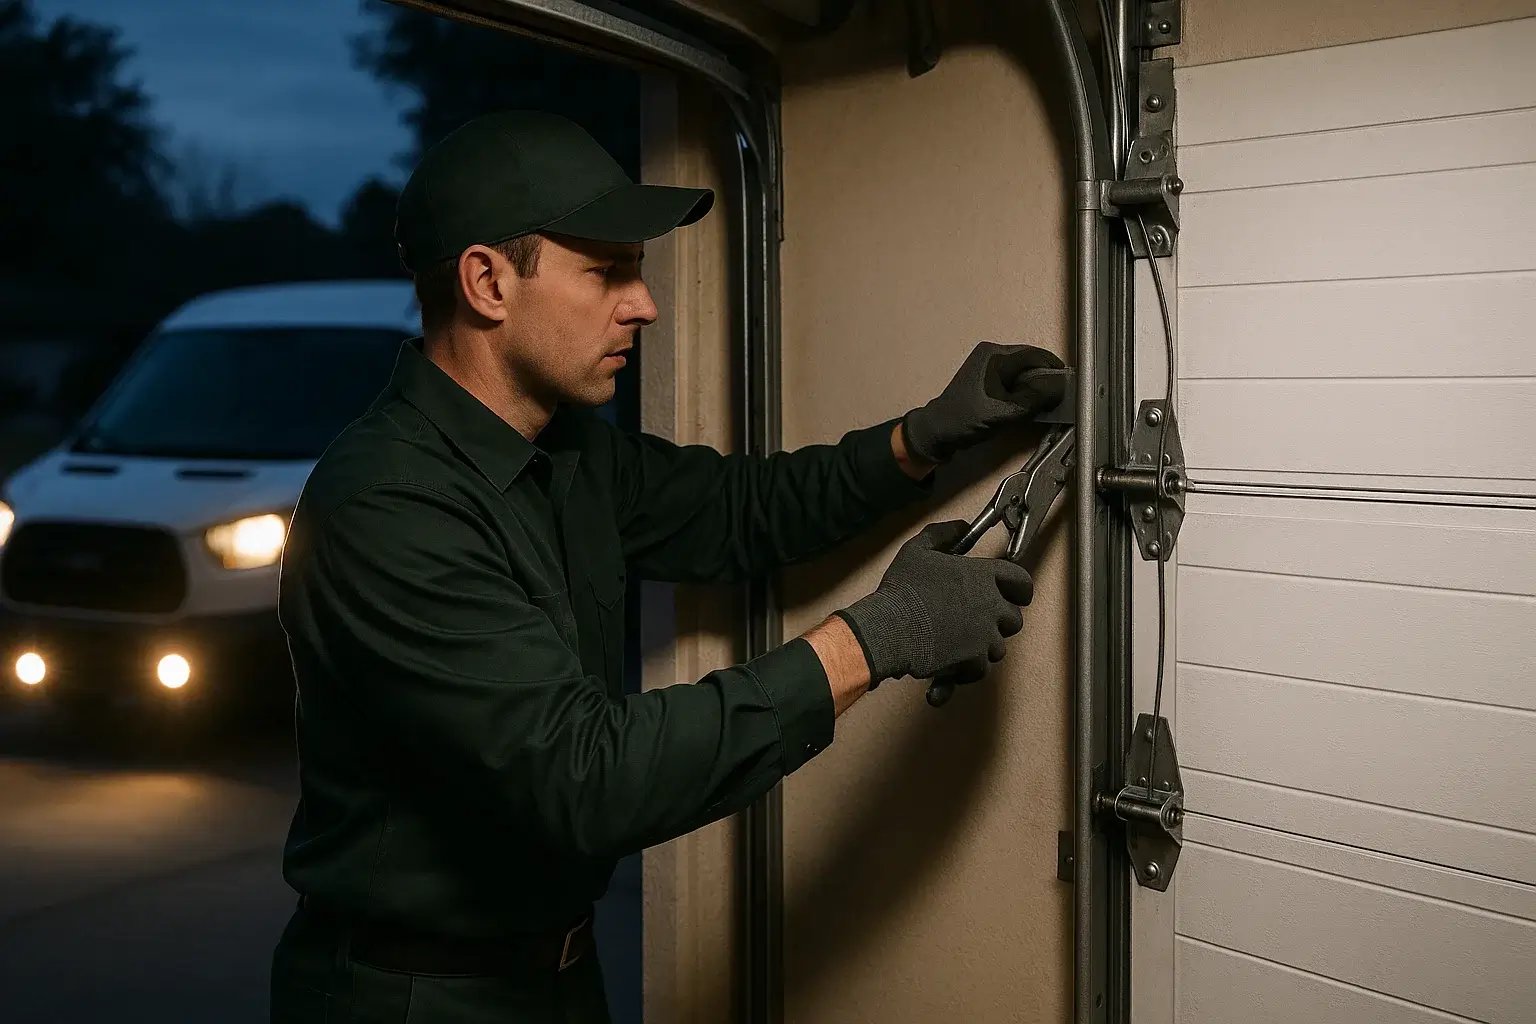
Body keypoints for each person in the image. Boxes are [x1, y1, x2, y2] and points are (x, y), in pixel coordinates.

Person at [268, 110, 1067, 1024]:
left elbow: (741, 511)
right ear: (487, 282)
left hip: (558, 975)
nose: (643, 303)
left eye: (637, 271)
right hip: (411, 997)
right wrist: (878, 635)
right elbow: (586, 777)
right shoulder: (389, 505)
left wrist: (918, 439)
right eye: (606, 270)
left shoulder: (570, 451)